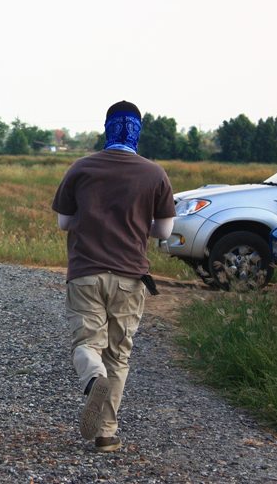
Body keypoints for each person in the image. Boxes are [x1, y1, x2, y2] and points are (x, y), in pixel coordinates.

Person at [51, 100, 175, 453]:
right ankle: (106, 432)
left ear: (106, 127)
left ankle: (93, 379)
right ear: (138, 130)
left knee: (87, 345)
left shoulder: (82, 167)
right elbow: (164, 232)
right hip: (130, 277)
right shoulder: (155, 174)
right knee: (118, 356)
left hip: (86, 272)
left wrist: (91, 220)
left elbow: (63, 222)